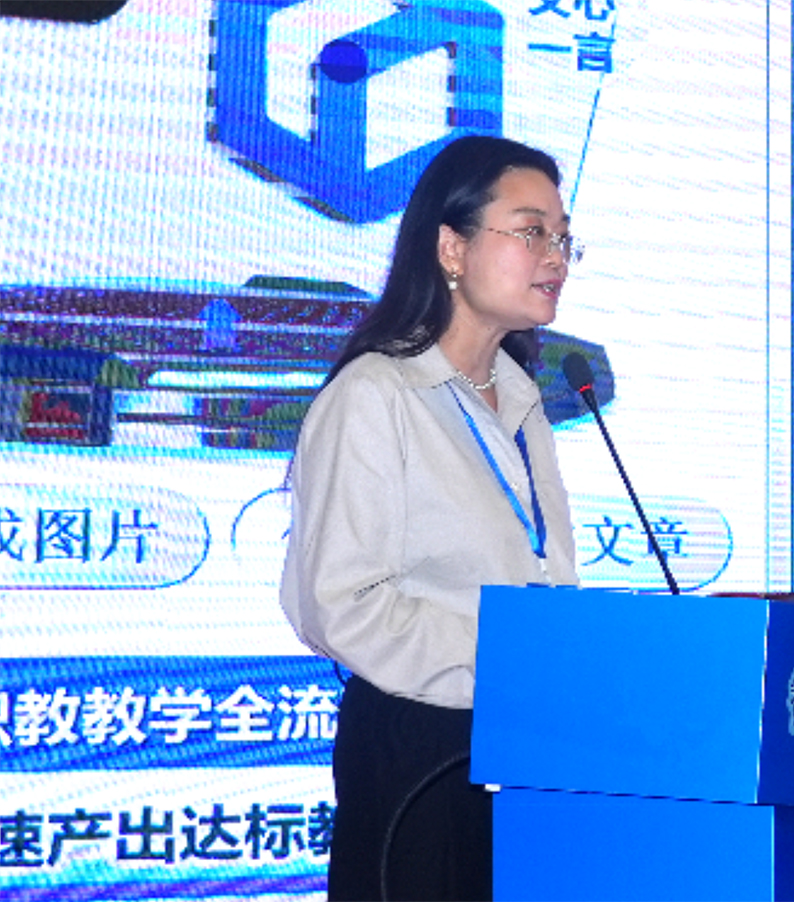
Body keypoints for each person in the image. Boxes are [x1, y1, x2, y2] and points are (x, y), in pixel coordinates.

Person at [279, 135, 580, 901]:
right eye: (532, 232)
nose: (556, 257)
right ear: (452, 247)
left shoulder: (523, 401)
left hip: (525, 749)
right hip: (420, 754)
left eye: (563, 237)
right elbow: (337, 605)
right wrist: (509, 655)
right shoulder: (376, 395)